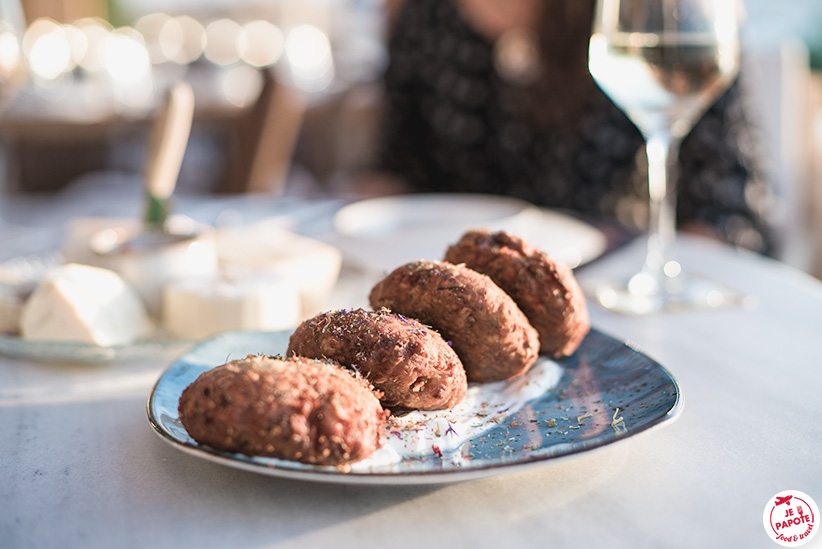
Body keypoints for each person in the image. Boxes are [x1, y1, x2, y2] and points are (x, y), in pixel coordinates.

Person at [376, 0, 779, 256]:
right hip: (462, 294)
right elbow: (399, 171)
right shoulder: (424, 15)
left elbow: (733, 215)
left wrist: (654, 276)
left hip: (617, 303)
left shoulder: (659, 18)